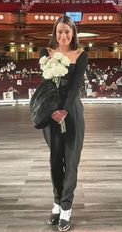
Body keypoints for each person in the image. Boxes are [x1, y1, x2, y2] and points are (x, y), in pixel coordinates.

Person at [39, 15, 88, 232]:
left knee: (71, 159)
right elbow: (46, 85)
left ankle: (67, 207)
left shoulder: (81, 55)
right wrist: (53, 111)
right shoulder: (46, 53)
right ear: (54, 33)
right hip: (51, 113)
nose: (63, 36)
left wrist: (65, 109)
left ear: (73, 33)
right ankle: (57, 202)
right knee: (55, 160)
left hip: (72, 112)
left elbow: (76, 85)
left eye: (67, 31)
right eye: (60, 31)